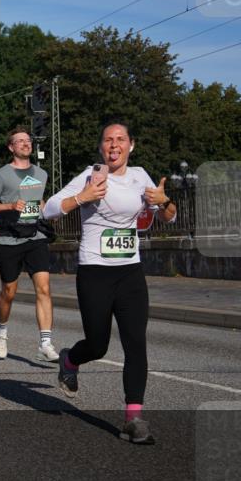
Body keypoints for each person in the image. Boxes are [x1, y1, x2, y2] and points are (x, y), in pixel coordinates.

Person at [43, 123, 176, 444]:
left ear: (131, 145)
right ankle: (70, 360)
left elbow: (169, 217)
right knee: (98, 345)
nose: (114, 145)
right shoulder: (90, 176)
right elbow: (48, 210)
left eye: (120, 139)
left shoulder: (140, 176)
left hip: (130, 273)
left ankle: (134, 418)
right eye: (108, 140)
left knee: (136, 343)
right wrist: (82, 197)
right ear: (101, 147)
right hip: (95, 272)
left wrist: (164, 201)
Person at [0, 127, 57, 362]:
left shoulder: (41, 173)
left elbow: (39, 200)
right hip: (9, 238)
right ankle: (1, 330)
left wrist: (49, 211)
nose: (26, 143)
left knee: (44, 288)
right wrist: (10, 206)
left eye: (28, 140)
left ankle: (45, 342)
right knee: (9, 292)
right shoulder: (2, 175)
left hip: (35, 236)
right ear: (11, 147)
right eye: (20, 141)